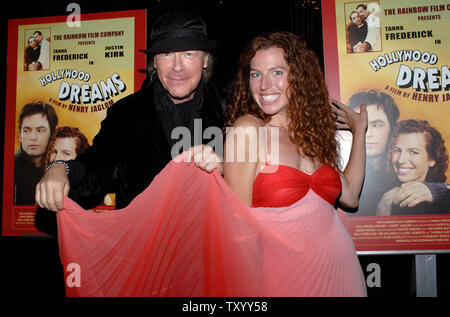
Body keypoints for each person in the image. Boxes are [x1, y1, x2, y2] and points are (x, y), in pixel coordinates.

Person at [54, 31, 367, 297]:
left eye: (277, 72)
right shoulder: (249, 129)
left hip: (342, 271)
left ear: (298, 77)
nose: (264, 84)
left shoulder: (310, 136)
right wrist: (220, 168)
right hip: (281, 279)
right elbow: (235, 228)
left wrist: (360, 131)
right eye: (255, 74)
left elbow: (350, 195)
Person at [35, 11, 225, 211]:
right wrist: (59, 169)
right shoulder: (126, 114)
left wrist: (225, 168)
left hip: (208, 237)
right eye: (166, 54)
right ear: (154, 62)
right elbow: (93, 171)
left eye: (188, 53)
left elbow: (252, 178)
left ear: (205, 60)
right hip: (147, 239)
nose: (177, 67)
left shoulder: (228, 109)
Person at [342, 89, 399, 216]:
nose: (368, 133)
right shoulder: (334, 167)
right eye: (359, 124)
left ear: (392, 128)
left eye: (377, 125)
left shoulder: (405, 172)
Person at [377, 119, 450, 216]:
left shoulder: (441, 202)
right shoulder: (378, 194)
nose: (401, 160)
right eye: (397, 150)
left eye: (413, 152)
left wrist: (438, 191)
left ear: (432, 159)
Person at [36, 126, 90, 236]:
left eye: (66, 153)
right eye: (54, 151)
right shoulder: (42, 189)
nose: (56, 159)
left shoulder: (90, 193)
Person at [14, 102, 58, 205]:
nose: (33, 137)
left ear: (52, 134)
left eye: (40, 130)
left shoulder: (61, 166)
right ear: (20, 135)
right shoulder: (9, 167)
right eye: (27, 130)